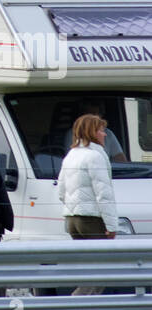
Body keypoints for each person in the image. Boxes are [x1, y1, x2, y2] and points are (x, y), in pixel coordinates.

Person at [57, 114, 117, 296]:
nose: (104, 134)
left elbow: (61, 190)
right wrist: (112, 225)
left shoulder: (70, 156)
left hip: (72, 220)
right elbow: (104, 194)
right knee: (103, 270)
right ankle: (75, 304)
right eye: (101, 130)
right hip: (91, 220)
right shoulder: (95, 156)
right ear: (92, 132)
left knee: (88, 270)